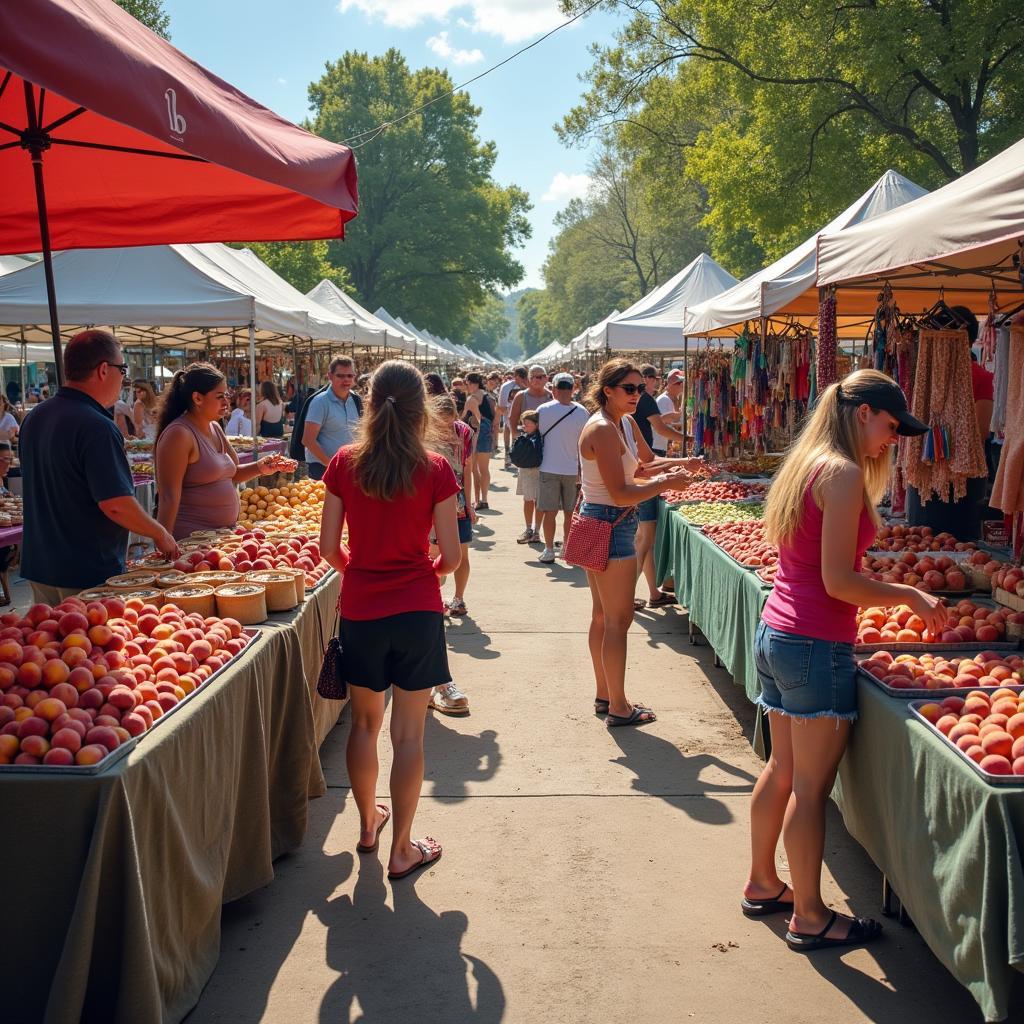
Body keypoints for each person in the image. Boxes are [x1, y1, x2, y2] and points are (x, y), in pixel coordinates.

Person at [744, 369, 944, 951]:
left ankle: (763, 883)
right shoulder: (844, 473)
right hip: (813, 641)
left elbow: (815, 568)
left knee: (781, 770)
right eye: (890, 425)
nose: (893, 438)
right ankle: (809, 915)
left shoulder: (808, 463)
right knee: (809, 788)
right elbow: (836, 581)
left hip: (777, 631)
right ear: (863, 414)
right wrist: (908, 593)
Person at [319, 360, 462, 879]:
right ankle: (402, 848)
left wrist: (361, 569)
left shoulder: (343, 462)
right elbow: (451, 556)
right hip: (418, 609)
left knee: (363, 724)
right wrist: (430, 571)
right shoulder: (435, 469)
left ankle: (366, 824)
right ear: (421, 407)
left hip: (362, 608)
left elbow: (328, 548)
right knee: (409, 735)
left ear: (368, 402)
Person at [578, 359, 698, 726]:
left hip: (598, 520)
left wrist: (684, 463)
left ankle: (606, 696)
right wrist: (667, 484)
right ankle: (618, 705)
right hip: (608, 523)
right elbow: (621, 491)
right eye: (629, 389)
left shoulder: (624, 423)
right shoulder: (601, 428)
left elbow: (644, 464)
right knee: (618, 619)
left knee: (604, 616)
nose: (637, 395)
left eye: (640, 389)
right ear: (608, 389)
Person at [20, 329, 179, 601]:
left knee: (53, 642)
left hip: (42, 565)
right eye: (123, 369)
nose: (124, 378)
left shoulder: (36, 417)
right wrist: (160, 533)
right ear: (104, 370)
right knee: (83, 643)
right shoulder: (96, 426)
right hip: (85, 572)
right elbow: (115, 504)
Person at [155, 363, 284, 540]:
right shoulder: (179, 434)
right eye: (219, 396)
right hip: (190, 540)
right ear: (197, 398)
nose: (226, 402)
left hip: (222, 537)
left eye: (226, 395)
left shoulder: (215, 427)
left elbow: (233, 474)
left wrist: (261, 467)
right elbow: (168, 495)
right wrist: (164, 539)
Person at [536, 373, 589, 564]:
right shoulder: (583, 412)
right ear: (573, 389)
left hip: (548, 467)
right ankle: (567, 548)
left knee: (549, 512)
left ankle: (549, 549)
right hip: (573, 470)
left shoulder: (543, 410)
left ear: (555, 389)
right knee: (570, 513)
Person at [508, 365, 552, 542]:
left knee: (541, 497)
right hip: (528, 456)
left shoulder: (550, 396)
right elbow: (512, 420)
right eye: (533, 377)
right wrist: (521, 442)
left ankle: (537, 531)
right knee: (528, 496)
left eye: (540, 377)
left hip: (547, 453)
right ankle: (528, 528)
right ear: (528, 379)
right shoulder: (521, 396)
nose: (537, 380)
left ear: (546, 378)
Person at [303, 357, 361, 481]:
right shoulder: (320, 402)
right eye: (340, 376)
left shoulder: (356, 400)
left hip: (349, 468)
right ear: (330, 376)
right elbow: (308, 440)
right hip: (323, 468)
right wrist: (330, 464)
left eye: (350, 376)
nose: (346, 380)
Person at [461, 372, 496, 510]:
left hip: (476, 433)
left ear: (472, 383)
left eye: (467, 383)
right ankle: (485, 499)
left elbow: (463, 417)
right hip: (487, 433)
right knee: (484, 469)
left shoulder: (471, 399)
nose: (466, 386)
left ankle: (476, 500)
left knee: (474, 469)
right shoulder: (488, 395)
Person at [514, 411, 541, 544]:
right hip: (525, 471)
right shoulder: (526, 437)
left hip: (535, 472)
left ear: (537, 424)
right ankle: (529, 529)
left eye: (527, 424)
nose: (524, 427)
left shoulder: (540, 438)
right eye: (523, 424)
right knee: (528, 500)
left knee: (537, 502)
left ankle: (536, 531)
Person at [499, 366, 527, 466]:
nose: (522, 380)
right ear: (515, 376)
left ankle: (517, 455)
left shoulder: (528, 385)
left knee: (519, 436)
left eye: (524, 377)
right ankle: (507, 452)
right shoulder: (506, 386)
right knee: (508, 428)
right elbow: (501, 406)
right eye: (519, 377)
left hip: (524, 416)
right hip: (509, 414)